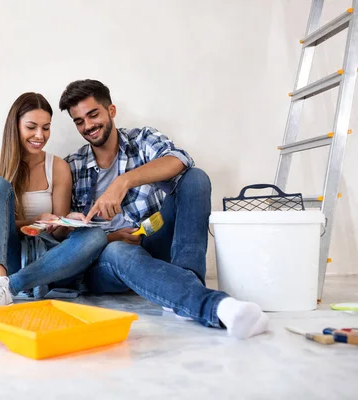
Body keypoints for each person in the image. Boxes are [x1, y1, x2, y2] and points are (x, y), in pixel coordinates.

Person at [59, 79, 268, 339]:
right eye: (79, 121)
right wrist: (109, 236)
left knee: (196, 178)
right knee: (117, 250)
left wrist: (122, 182)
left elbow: (179, 160)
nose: (88, 126)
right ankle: (213, 305)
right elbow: (67, 236)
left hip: (153, 238)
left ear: (111, 111)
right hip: (106, 259)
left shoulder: (142, 139)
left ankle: (182, 289)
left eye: (93, 114)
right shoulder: (72, 165)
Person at [0, 92, 107, 310]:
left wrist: (66, 221)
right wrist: (33, 221)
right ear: (15, 126)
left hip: (45, 262)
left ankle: (5, 288)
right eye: (31, 127)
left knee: (96, 235)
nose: (40, 135)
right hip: (8, 258)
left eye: (46, 127)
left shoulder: (57, 167)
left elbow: (59, 234)